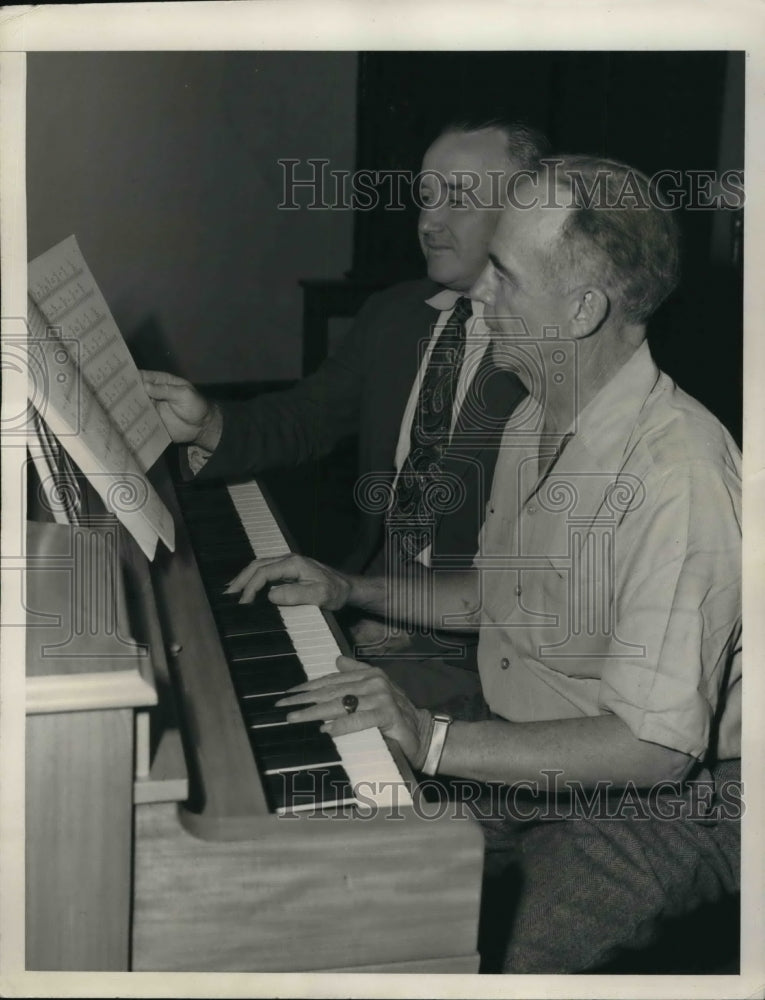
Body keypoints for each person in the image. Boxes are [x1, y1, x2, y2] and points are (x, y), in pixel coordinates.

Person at [224, 156, 742, 973]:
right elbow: (500, 599)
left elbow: (653, 748)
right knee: (344, 867)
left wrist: (429, 739)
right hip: (541, 740)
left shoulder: (679, 475)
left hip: (679, 791)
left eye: (502, 274)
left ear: (580, 310)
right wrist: (350, 586)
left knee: (510, 960)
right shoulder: (533, 413)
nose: (476, 293)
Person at [144, 120, 548, 702]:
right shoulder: (395, 314)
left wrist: (394, 614)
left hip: (478, 653)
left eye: (457, 198)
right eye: (426, 197)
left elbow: (536, 588)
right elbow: (308, 416)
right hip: (367, 597)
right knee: (205, 670)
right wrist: (208, 422)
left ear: (522, 213)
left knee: (240, 701)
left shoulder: (554, 352)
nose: (429, 222)